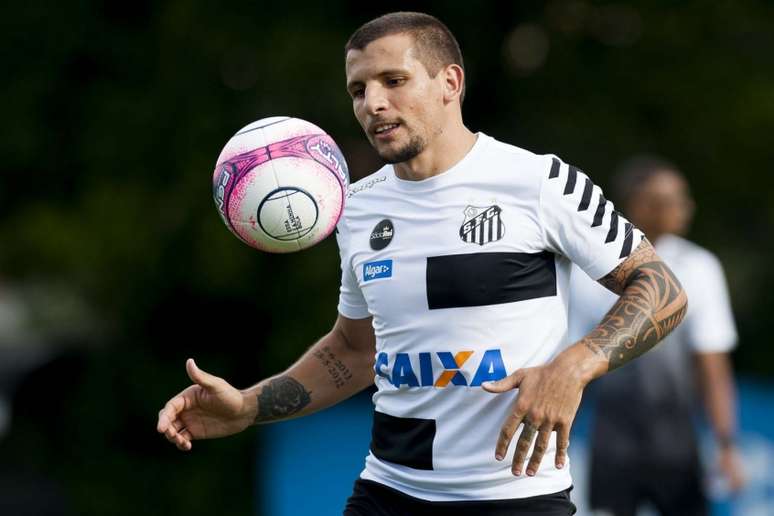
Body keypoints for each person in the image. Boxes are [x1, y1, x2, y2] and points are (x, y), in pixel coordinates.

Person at [157, 12, 688, 515]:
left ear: (450, 83)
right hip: (389, 490)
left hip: (517, 499)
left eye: (393, 80)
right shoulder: (355, 208)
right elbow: (354, 349)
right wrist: (248, 405)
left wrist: (573, 367)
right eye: (358, 90)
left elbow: (661, 287)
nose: (373, 103)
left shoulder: (539, 181)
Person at [568, 155, 743, 516]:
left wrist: (726, 443)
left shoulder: (699, 267)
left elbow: (713, 366)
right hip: (611, 448)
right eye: (669, 200)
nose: (684, 208)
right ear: (637, 206)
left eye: (682, 198)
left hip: (678, 449)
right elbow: (570, 362)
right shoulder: (588, 270)